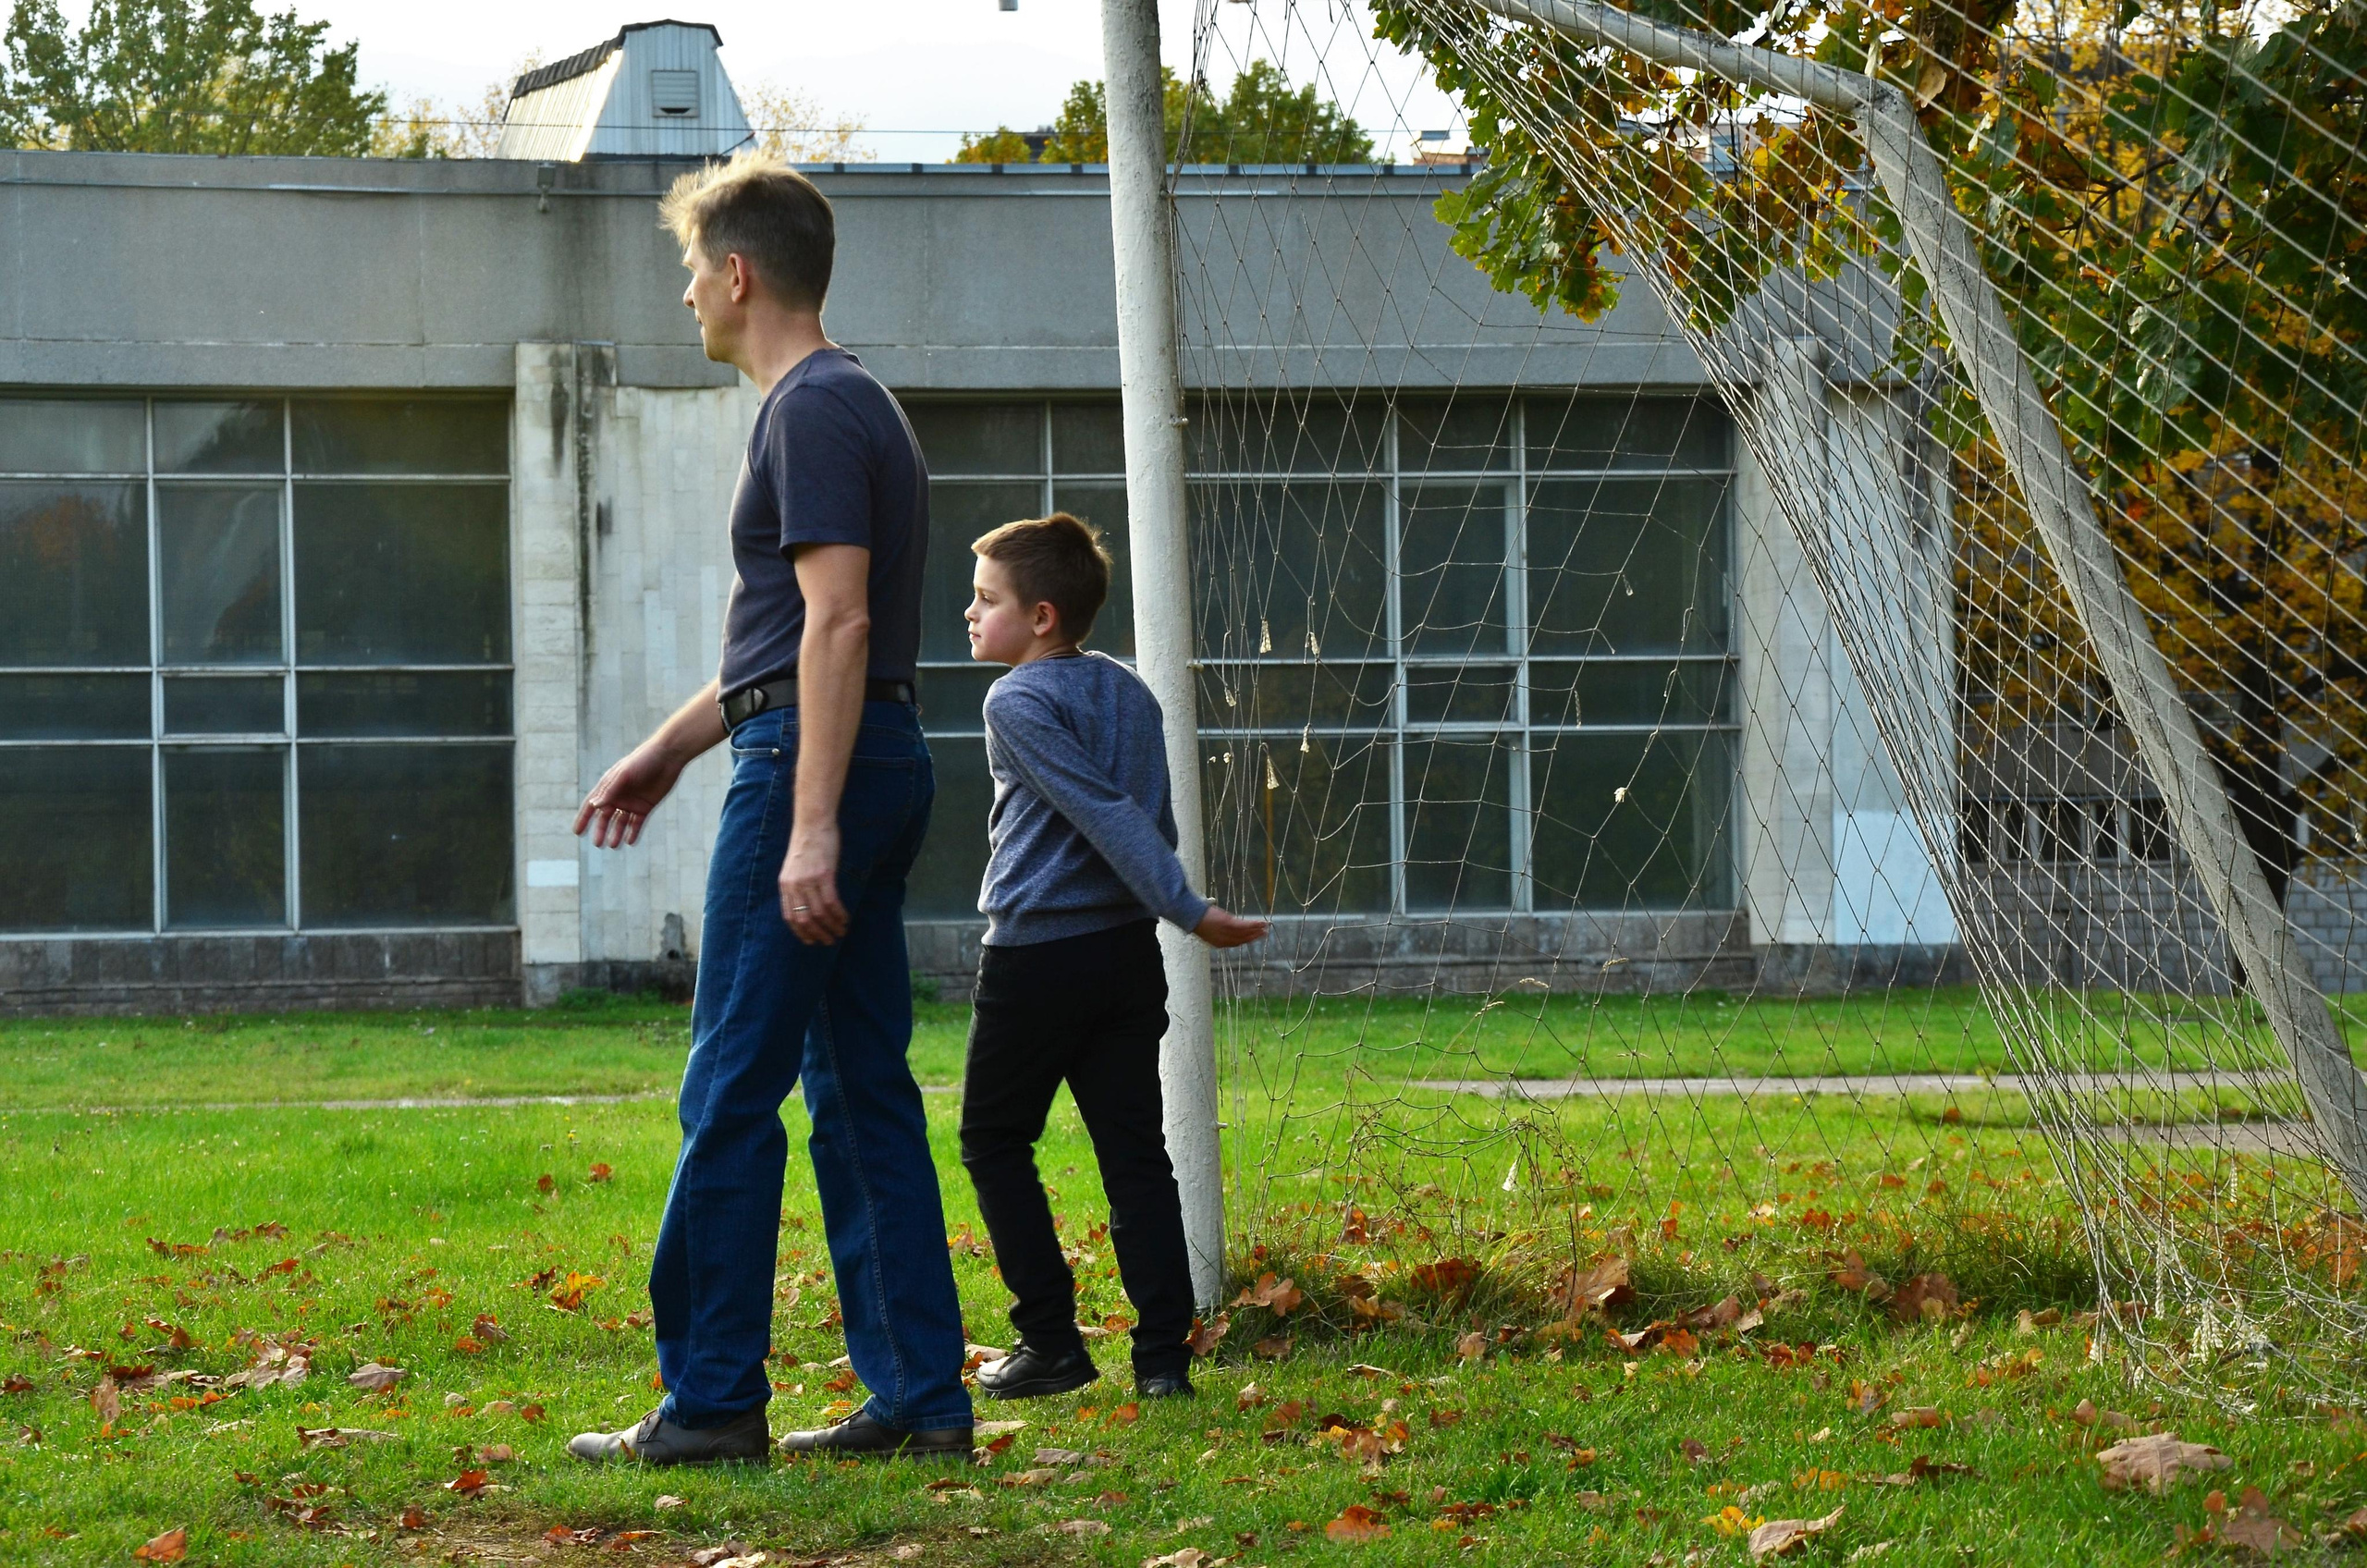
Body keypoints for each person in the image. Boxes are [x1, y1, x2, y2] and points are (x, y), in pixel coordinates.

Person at [566, 154, 971, 1465]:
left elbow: (838, 622)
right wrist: (669, 750)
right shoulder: (853, 405)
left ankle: (711, 1402)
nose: (688, 297)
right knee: (857, 1087)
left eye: (692, 272)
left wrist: (806, 828)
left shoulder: (808, 410)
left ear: (739, 274)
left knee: (731, 1084)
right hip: (858, 746)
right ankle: (918, 1402)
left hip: (825, 765)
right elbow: (791, 644)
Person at [956, 512, 1269, 1402]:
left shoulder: (1015, 701)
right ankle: (1164, 1361)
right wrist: (1164, 909)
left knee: (992, 1140)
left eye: (987, 600)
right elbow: (1152, 815)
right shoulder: (1130, 691)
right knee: (1136, 1155)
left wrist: (1188, 907)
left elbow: (1105, 811)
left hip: (1038, 960)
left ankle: (1051, 1341)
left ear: (1043, 616)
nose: (971, 616)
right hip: (1126, 959)